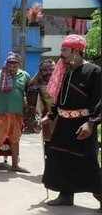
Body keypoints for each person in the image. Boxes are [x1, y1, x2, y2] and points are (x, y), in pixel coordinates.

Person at [41, 34, 102, 209]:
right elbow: (60, 99)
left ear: (76, 51)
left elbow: (99, 101)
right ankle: (66, 196)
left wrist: (91, 123)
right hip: (63, 125)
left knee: (88, 162)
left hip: (82, 125)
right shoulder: (66, 72)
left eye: (64, 50)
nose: (61, 54)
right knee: (60, 158)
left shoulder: (94, 72)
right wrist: (50, 116)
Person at [0, 52, 31, 175]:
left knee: (15, 140)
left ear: (19, 64)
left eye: (15, 64)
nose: (12, 66)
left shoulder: (25, 75)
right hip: (1, 114)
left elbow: (30, 92)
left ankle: (15, 165)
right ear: (7, 63)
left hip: (17, 114)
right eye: (10, 63)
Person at [29, 59, 55, 141]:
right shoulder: (37, 85)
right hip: (47, 118)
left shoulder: (63, 82)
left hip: (63, 118)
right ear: (40, 71)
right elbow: (30, 88)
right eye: (45, 70)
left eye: (51, 69)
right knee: (48, 144)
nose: (48, 72)